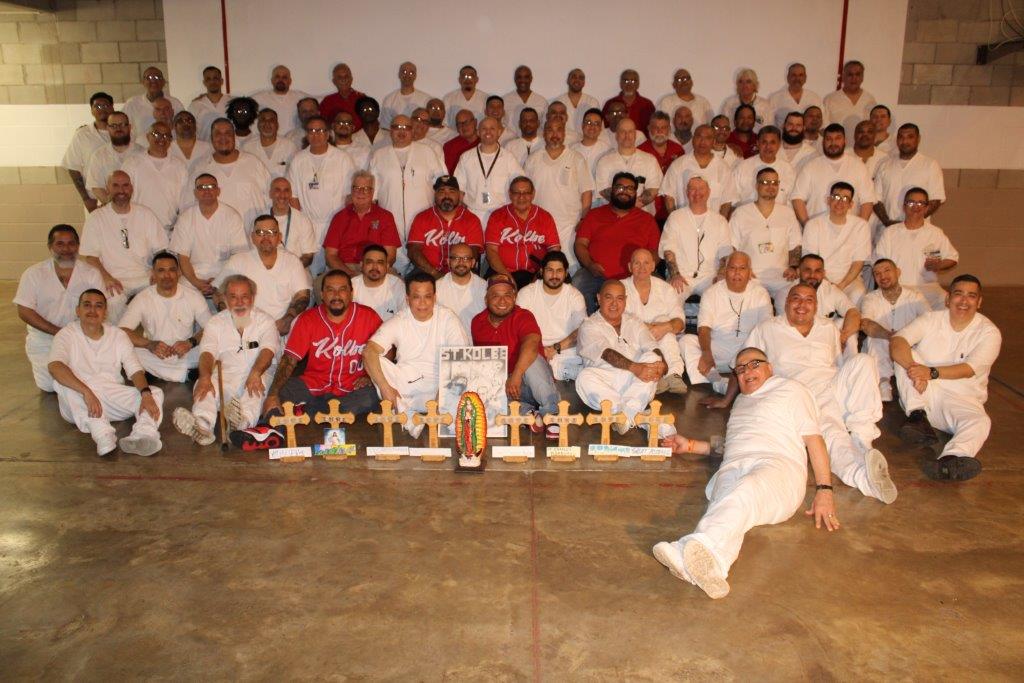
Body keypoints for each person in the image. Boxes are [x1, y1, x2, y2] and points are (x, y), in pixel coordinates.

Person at [652, 346, 838, 600]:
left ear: (770, 368)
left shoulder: (792, 390)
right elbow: (734, 444)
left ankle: (687, 547)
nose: (747, 371)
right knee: (728, 503)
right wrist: (692, 445)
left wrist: (825, 490)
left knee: (744, 491)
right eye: (740, 369)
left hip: (778, 469)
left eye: (754, 364)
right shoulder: (740, 401)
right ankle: (711, 569)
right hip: (734, 465)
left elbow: (814, 440)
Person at [738, 283, 896, 504]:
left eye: (809, 299)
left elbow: (838, 363)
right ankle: (865, 479)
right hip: (801, 393)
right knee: (832, 432)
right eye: (796, 298)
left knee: (864, 361)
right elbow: (744, 364)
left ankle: (863, 438)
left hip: (831, 384)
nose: (802, 305)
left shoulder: (828, 327)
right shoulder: (766, 328)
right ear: (786, 302)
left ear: (816, 305)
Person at [890, 274, 1002, 481]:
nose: (964, 301)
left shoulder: (989, 332)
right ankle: (917, 417)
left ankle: (951, 459)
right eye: (958, 294)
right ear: (948, 299)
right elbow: (897, 341)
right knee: (906, 354)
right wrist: (914, 369)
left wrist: (931, 372)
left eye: (971, 296)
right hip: (922, 393)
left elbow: (969, 369)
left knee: (980, 421)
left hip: (962, 399)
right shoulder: (931, 319)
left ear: (979, 302)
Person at [48, 289, 164, 457]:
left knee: (154, 393)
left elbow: (134, 369)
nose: (92, 310)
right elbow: (55, 366)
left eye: (98, 306)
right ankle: (103, 434)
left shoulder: (118, 335)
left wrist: (146, 395)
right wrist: (87, 392)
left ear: (105, 312)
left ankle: (143, 434)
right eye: (87, 305)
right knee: (61, 382)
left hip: (110, 395)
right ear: (78, 310)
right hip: (80, 402)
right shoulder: (66, 334)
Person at [261, 269, 382, 424]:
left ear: (351, 293)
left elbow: (386, 351)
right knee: (280, 390)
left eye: (342, 289)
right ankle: (319, 414)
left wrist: (370, 377)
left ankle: (310, 411)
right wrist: (273, 395)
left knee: (373, 394)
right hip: (315, 384)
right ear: (322, 294)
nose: (336, 295)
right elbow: (289, 359)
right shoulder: (307, 319)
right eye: (330, 290)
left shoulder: (368, 316)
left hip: (354, 386)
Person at [173, 274, 278, 446]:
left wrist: (255, 373)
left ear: (252, 298)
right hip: (226, 375)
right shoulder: (215, 322)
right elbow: (207, 353)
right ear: (225, 298)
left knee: (255, 390)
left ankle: (241, 424)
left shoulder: (265, 321)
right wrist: (205, 377)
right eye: (233, 297)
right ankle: (202, 425)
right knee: (205, 385)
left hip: (259, 372)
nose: (239, 302)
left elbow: (268, 351)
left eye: (244, 296)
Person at [363, 271, 469, 437]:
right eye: (416, 297)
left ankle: (415, 416)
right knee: (373, 358)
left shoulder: (448, 318)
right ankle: (409, 418)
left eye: (427, 297)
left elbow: (460, 359)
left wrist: (439, 400)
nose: (423, 303)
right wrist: (386, 388)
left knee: (461, 368)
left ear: (435, 297)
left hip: (441, 387)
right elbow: (370, 351)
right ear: (407, 299)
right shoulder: (400, 319)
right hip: (406, 391)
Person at [576, 280, 672, 436]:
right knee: (584, 378)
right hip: (607, 380)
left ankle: (624, 416)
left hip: (639, 379)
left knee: (653, 357)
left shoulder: (634, 321)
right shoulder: (589, 325)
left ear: (625, 300)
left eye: (620, 298)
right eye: (609, 297)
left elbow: (652, 346)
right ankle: (639, 415)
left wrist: (662, 364)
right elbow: (607, 353)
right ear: (599, 298)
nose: (614, 304)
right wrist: (636, 368)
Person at [14, 225, 104, 392]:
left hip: (82, 338)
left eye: (71, 243)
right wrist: (58, 332)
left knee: (93, 378)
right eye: (60, 244)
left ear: (78, 246)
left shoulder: (91, 273)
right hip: (45, 340)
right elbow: (24, 311)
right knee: (51, 385)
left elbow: (100, 308)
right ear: (50, 246)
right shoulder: (33, 274)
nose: (66, 249)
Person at [471, 274, 560, 436]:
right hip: (506, 388)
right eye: (495, 296)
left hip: (531, 381)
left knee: (532, 359)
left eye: (507, 295)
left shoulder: (523, 315)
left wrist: (517, 374)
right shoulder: (477, 322)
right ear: (486, 299)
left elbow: (532, 343)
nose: (502, 301)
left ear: (514, 298)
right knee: (481, 396)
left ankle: (551, 414)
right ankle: (529, 414)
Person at [79, 171, 169, 320]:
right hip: (114, 278)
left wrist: (156, 271)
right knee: (113, 301)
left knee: (165, 295)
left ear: (131, 188)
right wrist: (106, 277)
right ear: (108, 188)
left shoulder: (145, 214)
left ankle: (154, 333)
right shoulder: (96, 218)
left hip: (144, 276)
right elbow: (90, 257)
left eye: (125, 185)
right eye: (116, 185)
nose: (121, 190)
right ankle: (117, 334)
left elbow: (161, 250)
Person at [682, 252, 772, 393]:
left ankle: (738, 381)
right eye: (732, 268)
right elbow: (704, 328)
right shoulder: (711, 293)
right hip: (716, 354)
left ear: (750, 272)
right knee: (686, 341)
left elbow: (766, 329)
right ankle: (717, 382)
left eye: (742, 268)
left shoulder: (760, 293)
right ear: (725, 270)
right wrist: (706, 353)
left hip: (746, 355)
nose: (737, 273)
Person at [574, 172, 661, 312]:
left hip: (635, 276)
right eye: (620, 187)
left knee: (660, 285)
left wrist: (643, 270)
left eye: (630, 188)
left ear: (636, 193)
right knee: (579, 281)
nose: (624, 191)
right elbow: (580, 244)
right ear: (612, 190)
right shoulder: (594, 215)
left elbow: (655, 252)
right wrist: (589, 265)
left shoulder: (647, 220)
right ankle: (590, 324)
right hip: (597, 275)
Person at [368, 115, 445, 272]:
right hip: (391, 223)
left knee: (423, 269)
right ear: (390, 131)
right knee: (394, 270)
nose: (402, 132)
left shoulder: (427, 152)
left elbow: (442, 185)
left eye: (406, 128)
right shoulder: (379, 155)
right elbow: (372, 194)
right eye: (397, 127)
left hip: (423, 223)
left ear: (412, 130)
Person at [119, 251, 210, 382]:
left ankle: (160, 373)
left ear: (179, 272)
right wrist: (149, 344)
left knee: (213, 347)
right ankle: (186, 375)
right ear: (153, 274)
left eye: (172, 270)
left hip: (187, 352)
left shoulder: (193, 296)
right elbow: (122, 331)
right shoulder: (142, 298)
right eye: (161, 270)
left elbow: (211, 328)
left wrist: (190, 342)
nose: (167, 275)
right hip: (156, 353)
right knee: (128, 351)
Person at [213, 215, 312, 336]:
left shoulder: (292, 262)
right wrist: (235, 321)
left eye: (271, 232)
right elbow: (217, 293)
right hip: (246, 330)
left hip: (281, 329)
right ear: (252, 237)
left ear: (279, 237)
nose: (265, 237)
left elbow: (302, 296)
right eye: (260, 232)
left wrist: (287, 320)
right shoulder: (238, 261)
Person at [286, 116, 354, 274]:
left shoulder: (342, 159)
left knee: (335, 273)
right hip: (308, 225)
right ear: (306, 134)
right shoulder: (298, 160)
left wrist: (344, 225)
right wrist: (302, 224)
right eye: (311, 131)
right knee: (309, 273)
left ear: (328, 134)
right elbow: (293, 196)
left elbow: (350, 196)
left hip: (336, 226)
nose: (315, 135)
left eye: (320, 130)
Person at [525, 120, 593, 274]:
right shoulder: (533, 159)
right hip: (539, 226)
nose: (554, 134)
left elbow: (586, 192)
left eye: (559, 130)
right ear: (544, 133)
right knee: (542, 269)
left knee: (570, 269)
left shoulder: (576, 158)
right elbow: (525, 191)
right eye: (550, 130)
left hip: (569, 225)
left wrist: (583, 220)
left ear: (564, 133)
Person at [874, 187, 958, 310]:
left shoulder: (935, 233)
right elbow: (879, 261)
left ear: (927, 207)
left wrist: (939, 265)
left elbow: (952, 258)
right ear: (904, 206)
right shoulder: (890, 232)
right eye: (911, 203)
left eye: (920, 203)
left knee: (950, 303)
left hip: (928, 287)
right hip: (898, 287)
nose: (916, 207)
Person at [859, 258, 928, 401]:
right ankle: (883, 383)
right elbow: (865, 324)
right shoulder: (870, 298)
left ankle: (914, 389)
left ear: (898, 272)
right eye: (877, 274)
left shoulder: (915, 296)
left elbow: (929, 321)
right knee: (874, 338)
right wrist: (890, 336)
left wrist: (902, 339)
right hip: (882, 343)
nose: (882, 276)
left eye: (887, 271)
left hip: (908, 345)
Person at [620, 249, 688, 395]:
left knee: (665, 322)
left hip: (661, 338)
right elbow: (617, 319)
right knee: (646, 330)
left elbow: (680, 322)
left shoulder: (666, 289)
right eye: (637, 263)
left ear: (653, 266)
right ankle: (655, 376)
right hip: (632, 340)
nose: (642, 267)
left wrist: (665, 326)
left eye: (646, 263)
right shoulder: (620, 287)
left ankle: (673, 374)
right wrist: (647, 328)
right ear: (630, 267)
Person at [728, 167, 801, 298]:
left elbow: (795, 245)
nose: (770, 187)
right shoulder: (741, 213)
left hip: (782, 277)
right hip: (751, 277)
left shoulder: (787, 213)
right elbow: (732, 247)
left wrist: (794, 267)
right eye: (765, 182)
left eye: (774, 183)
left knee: (794, 300)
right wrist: (741, 271)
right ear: (757, 185)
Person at [170, 173, 248, 297]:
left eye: (211, 186)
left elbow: (237, 255)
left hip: (224, 272)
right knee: (180, 292)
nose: (207, 191)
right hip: (193, 274)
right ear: (195, 193)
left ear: (218, 191)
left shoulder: (232, 216)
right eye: (202, 187)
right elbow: (183, 257)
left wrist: (218, 281)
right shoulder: (185, 218)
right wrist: (196, 282)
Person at [659, 176, 734, 301]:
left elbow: (725, 252)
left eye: (701, 188)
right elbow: (668, 249)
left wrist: (721, 275)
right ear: (687, 192)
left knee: (721, 296)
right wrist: (675, 275)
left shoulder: (720, 221)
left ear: (709, 192)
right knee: (671, 297)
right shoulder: (675, 217)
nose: (697, 192)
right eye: (692, 189)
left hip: (710, 275)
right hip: (681, 274)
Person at [516, 251, 586, 381]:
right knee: (528, 360)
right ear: (541, 271)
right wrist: (540, 350)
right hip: (535, 349)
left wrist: (555, 348)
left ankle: (558, 371)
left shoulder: (574, 295)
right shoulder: (527, 293)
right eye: (550, 270)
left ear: (566, 273)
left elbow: (581, 331)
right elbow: (518, 328)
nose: (554, 275)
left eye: (559, 271)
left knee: (588, 355)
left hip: (565, 350)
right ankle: (563, 372)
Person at [190, 118, 271, 229]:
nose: (223, 137)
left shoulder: (254, 163)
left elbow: (270, 199)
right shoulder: (200, 168)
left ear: (234, 137)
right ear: (211, 138)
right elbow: (190, 205)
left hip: (253, 236)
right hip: (216, 234)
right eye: (218, 134)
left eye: (228, 133)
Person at [800, 182, 872, 303]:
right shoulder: (813, 224)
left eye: (845, 199)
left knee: (858, 294)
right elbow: (810, 262)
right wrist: (829, 285)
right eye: (836, 197)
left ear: (851, 204)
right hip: (819, 278)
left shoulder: (861, 226)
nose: (840, 202)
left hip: (850, 280)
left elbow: (858, 262)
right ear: (828, 200)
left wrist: (841, 286)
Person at [484, 176, 560, 288]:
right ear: (510, 194)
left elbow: (554, 251)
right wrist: (508, 278)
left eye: (526, 193)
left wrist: (540, 275)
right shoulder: (497, 216)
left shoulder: (545, 217)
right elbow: (491, 251)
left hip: (536, 273)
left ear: (533, 194)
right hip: (502, 272)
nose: (521, 197)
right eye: (516, 193)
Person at [791, 124, 876, 225]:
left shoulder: (858, 167)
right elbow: (797, 199)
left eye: (837, 138)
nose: (833, 143)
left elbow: (867, 201)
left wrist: (858, 229)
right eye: (829, 139)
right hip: (817, 229)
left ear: (845, 141)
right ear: (823, 142)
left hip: (849, 230)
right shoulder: (811, 166)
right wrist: (808, 226)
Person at [324, 171, 401, 276]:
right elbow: (330, 256)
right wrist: (350, 274)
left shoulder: (385, 217)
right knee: (320, 283)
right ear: (351, 191)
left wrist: (371, 272)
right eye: (357, 188)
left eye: (366, 189)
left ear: (372, 192)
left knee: (398, 284)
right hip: (344, 268)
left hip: (376, 269)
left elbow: (390, 256)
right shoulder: (339, 218)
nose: (361, 192)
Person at [872, 124, 946, 232]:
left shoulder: (930, 165)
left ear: (918, 139)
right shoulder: (885, 165)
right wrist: (887, 222)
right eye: (901, 137)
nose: (905, 141)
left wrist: (912, 221)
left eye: (910, 137)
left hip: (918, 230)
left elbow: (935, 200)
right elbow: (876, 199)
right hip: (887, 229)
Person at [407, 175, 485, 277]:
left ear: (459, 195)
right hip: (427, 273)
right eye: (441, 191)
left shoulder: (472, 220)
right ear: (435, 195)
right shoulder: (422, 218)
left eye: (452, 191)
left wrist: (455, 278)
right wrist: (435, 274)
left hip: (460, 273)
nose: (446, 196)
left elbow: (473, 253)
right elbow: (413, 251)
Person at [453, 116, 525, 225]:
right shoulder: (466, 157)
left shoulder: (508, 158)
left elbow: (520, 185)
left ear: (499, 132)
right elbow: (458, 189)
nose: (488, 132)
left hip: (501, 215)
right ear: (478, 132)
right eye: (484, 128)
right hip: (473, 215)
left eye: (492, 128)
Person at [120, 121, 188, 236]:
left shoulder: (179, 166)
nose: (161, 139)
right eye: (156, 134)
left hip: (168, 232)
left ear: (171, 140)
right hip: (137, 230)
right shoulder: (132, 163)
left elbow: (184, 202)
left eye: (166, 135)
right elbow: (123, 194)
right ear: (147, 137)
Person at [662, 125, 735, 217]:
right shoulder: (678, 165)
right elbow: (669, 197)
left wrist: (720, 223)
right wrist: (675, 220)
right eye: (699, 136)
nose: (702, 141)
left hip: (713, 222)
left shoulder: (723, 168)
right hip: (684, 221)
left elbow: (727, 201)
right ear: (693, 139)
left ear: (713, 141)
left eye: (708, 138)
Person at [594, 118, 662, 215]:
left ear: (635, 135)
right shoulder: (604, 161)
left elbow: (653, 188)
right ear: (616, 135)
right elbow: (604, 190)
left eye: (630, 132)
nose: (627, 136)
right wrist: (627, 205)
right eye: (623, 132)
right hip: (612, 216)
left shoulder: (650, 160)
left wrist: (632, 204)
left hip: (642, 215)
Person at [63, 92, 113, 212]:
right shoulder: (82, 134)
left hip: (121, 196)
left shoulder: (123, 132)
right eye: (97, 106)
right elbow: (73, 168)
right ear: (91, 111)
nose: (102, 109)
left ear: (112, 107)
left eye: (105, 105)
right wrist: (86, 199)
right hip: (94, 199)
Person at [730, 125, 796, 206]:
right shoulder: (743, 167)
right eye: (764, 142)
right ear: (758, 143)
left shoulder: (788, 170)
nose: (768, 147)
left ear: (779, 144)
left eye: (772, 142)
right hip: (746, 213)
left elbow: (792, 202)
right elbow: (732, 199)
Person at [84, 112, 142, 204]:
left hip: (138, 207)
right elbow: (96, 187)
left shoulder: (142, 153)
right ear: (108, 128)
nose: (118, 129)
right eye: (113, 126)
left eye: (122, 125)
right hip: (110, 208)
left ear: (129, 127)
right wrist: (113, 207)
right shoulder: (99, 155)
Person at [639, 111, 684, 223]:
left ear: (669, 129)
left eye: (663, 127)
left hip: (674, 207)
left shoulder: (678, 150)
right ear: (649, 128)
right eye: (655, 127)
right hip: (649, 210)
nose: (659, 131)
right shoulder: (640, 151)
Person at [435, 242, 487, 331]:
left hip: (475, 339)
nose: (461, 262)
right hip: (445, 338)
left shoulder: (484, 287)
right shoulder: (437, 287)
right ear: (448, 261)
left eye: (466, 258)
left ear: (473, 262)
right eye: (456, 258)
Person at [267, 177, 316, 268]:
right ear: (270, 194)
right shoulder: (259, 220)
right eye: (277, 190)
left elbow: (308, 256)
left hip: (296, 270)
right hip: (267, 270)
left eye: (286, 190)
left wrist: (289, 270)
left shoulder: (303, 220)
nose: (282, 195)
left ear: (290, 194)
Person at [352, 244, 406, 322]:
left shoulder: (397, 285)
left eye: (380, 263)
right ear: (361, 265)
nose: (375, 267)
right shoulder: (352, 285)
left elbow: (405, 317)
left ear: (387, 266)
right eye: (369, 262)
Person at [123, 66, 184, 136]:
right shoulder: (132, 103)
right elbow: (124, 128)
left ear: (163, 82)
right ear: (143, 82)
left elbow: (183, 127)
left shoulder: (175, 103)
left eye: (157, 77)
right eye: (149, 78)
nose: (153, 81)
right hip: (141, 142)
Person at [823, 60, 877, 138]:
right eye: (850, 74)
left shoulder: (870, 100)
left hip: (863, 145)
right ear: (843, 77)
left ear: (862, 77)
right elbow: (824, 128)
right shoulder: (830, 99)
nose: (854, 78)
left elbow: (874, 127)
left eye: (857, 74)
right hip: (837, 145)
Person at [252, 65, 310, 135]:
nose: (281, 80)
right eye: (277, 77)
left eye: (284, 77)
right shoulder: (258, 98)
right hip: (268, 138)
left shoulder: (301, 97)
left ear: (290, 81)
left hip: (295, 139)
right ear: (272, 80)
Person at [241, 108, 298, 179]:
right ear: (258, 125)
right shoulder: (247, 147)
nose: (267, 123)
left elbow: (295, 174)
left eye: (271, 120)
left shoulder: (289, 147)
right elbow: (244, 173)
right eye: (263, 120)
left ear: (277, 125)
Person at [767, 63, 823, 129]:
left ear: (805, 78)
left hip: (809, 135)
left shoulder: (814, 98)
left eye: (801, 75)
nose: (797, 78)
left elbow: (823, 124)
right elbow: (769, 125)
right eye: (793, 75)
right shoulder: (775, 98)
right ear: (788, 77)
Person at [381, 62, 433, 128]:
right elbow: (385, 128)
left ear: (415, 76)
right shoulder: (389, 100)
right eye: (404, 72)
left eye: (411, 73)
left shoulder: (426, 100)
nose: (407, 75)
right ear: (399, 75)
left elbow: (430, 125)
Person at [553, 68, 601, 134]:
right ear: (568, 80)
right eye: (574, 77)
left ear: (584, 83)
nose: (577, 80)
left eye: (580, 78)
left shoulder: (592, 102)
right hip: (564, 138)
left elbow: (599, 125)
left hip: (587, 138)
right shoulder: (558, 101)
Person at [319, 63, 364, 132]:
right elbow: (322, 124)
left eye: (346, 76)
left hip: (360, 136)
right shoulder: (327, 101)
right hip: (336, 137)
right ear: (334, 81)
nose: (343, 79)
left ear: (351, 79)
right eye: (339, 77)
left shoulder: (362, 99)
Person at [188, 65, 229, 141]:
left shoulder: (231, 103)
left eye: (215, 78)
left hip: (228, 146)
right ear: (204, 82)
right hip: (204, 147)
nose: (212, 82)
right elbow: (190, 130)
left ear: (221, 81)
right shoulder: (195, 105)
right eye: (208, 79)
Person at [570, 108, 613, 177]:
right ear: (582, 125)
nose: (592, 126)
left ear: (600, 128)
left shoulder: (607, 151)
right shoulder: (572, 150)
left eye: (596, 123)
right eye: (589, 122)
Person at [443, 64, 489, 129]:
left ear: (476, 79)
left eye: (471, 76)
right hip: (454, 134)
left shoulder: (486, 99)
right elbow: (444, 123)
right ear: (459, 80)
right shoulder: (448, 99)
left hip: (478, 135)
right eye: (464, 76)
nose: (467, 79)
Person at [503, 65, 548, 132]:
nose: (522, 80)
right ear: (515, 79)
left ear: (531, 79)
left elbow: (546, 126)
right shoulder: (505, 100)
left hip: (536, 138)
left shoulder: (542, 101)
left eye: (526, 77)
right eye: (519, 77)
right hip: (510, 138)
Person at [443, 109, 479, 174]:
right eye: (459, 124)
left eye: (466, 122)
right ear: (457, 128)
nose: (464, 126)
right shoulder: (449, 147)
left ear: (475, 122)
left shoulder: (485, 143)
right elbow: (448, 174)